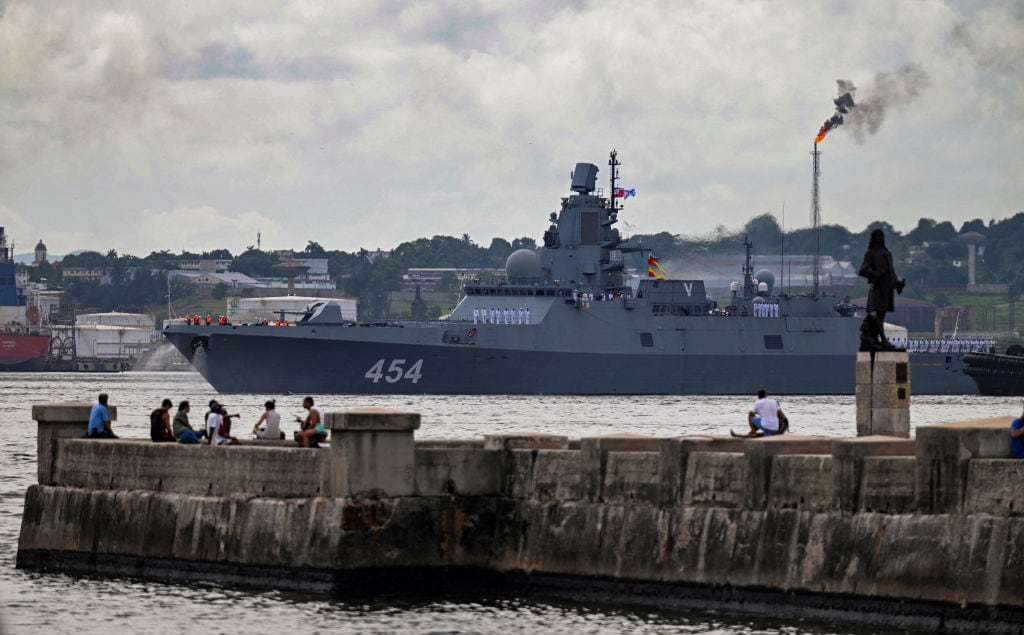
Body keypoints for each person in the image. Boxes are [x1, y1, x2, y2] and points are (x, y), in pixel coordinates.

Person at [858, 228, 906, 351]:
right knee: (879, 316)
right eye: (877, 236)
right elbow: (862, 270)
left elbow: (892, 271)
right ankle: (883, 340)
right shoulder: (870, 253)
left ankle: (881, 340)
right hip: (878, 288)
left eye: (881, 236)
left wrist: (898, 284)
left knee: (882, 315)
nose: (880, 238)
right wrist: (876, 274)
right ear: (874, 238)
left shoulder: (887, 253)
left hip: (887, 288)